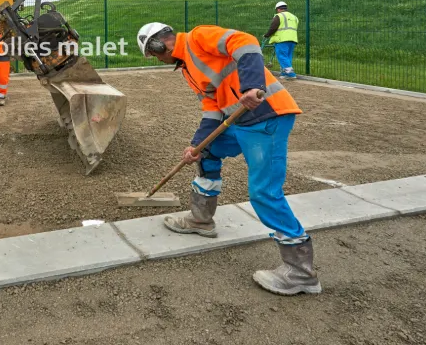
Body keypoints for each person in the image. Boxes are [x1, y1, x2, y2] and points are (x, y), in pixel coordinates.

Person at [136, 21, 322, 296]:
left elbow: (245, 42)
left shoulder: (198, 38)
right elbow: (212, 108)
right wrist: (196, 145)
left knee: (263, 192)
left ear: (158, 44)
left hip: (266, 117)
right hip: (241, 122)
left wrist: (252, 85)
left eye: (154, 54)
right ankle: (201, 220)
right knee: (207, 153)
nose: (157, 59)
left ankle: (301, 273)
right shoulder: (187, 68)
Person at [263, 1, 299, 79]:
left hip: (282, 39)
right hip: (293, 39)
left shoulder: (279, 16)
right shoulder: (294, 17)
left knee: (282, 56)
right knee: (287, 57)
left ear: (278, 9)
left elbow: (273, 28)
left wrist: (267, 35)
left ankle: (291, 74)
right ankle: (284, 73)